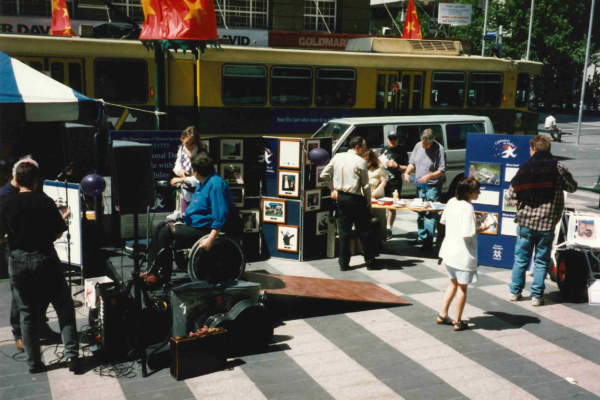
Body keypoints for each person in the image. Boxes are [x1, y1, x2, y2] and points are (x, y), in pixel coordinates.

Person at [0, 162, 79, 374]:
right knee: (64, 306)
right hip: (44, 258)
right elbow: (57, 233)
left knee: (27, 313)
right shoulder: (45, 201)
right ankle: (72, 356)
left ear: (16, 180)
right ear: (36, 180)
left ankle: (34, 364)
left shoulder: (7, 203)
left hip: (18, 260)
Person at [507, 135, 577, 306]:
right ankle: (537, 296)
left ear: (534, 150)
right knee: (541, 260)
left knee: (521, 258)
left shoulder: (525, 168)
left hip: (525, 222)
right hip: (547, 224)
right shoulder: (558, 168)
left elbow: (511, 194)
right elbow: (572, 187)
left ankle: (515, 292)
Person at [1, 157, 60, 353]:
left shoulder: (32, 192)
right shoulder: (5, 195)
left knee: (41, 292)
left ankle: (40, 327)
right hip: (17, 250)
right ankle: (19, 333)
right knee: (21, 297)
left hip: (37, 249)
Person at [147, 154, 233, 283]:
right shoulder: (203, 182)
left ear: (196, 171)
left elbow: (220, 215)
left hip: (205, 230)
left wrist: (211, 238)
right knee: (161, 225)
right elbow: (197, 206)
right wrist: (183, 216)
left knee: (166, 232)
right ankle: (152, 271)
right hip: (193, 223)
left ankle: (164, 275)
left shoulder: (215, 185)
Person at [437, 177, 491, 331]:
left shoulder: (451, 202)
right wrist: (483, 227)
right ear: (468, 192)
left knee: (453, 283)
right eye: (477, 191)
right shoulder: (467, 207)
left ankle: (442, 314)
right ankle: (458, 321)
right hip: (462, 255)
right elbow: (468, 233)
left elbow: (446, 221)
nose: (479, 193)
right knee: (462, 288)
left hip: (448, 251)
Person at [320, 136, 376, 271]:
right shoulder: (360, 162)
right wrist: (369, 204)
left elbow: (323, 175)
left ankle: (343, 263)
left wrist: (333, 188)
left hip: (341, 198)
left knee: (344, 232)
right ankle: (369, 261)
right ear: (357, 147)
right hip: (355, 198)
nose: (365, 150)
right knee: (363, 231)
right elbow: (366, 186)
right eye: (363, 147)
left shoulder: (338, 157)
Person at [404, 129, 446, 251]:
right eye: (423, 143)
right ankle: (421, 236)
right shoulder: (418, 145)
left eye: (427, 144)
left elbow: (442, 170)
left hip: (433, 185)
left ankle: (428, 241)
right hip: (419, 185)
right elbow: (412, 163)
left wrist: (428, 176)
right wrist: (407, 172)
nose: (425, 146)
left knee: (429, 213)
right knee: (420, 211)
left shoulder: (439, 149)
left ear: (432, 141)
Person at [380, 130, 409, 239]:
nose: (392, 141)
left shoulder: (402, 151)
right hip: (383, 182)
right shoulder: (384, 149)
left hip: (395, 183)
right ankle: (381, 228)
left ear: (397, 139)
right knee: (381, 205)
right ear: (387, 139)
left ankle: (389, 229)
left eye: (394, 139)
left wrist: (396, 165)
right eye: (390, 138)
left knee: (392, 206)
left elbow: (407, 168)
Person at [171, 126, 205, 213]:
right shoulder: (182, 149)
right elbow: (177, 165)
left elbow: (201, 178)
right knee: (184, 217)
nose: (189, 146)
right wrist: (180, 171)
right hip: (185, 192)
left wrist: (181, 179)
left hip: (198, 193)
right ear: (182, 139)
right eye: (186, 143)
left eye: (192, 143)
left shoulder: (201, 154)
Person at [364, 149, 388, 241]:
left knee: (379, 219)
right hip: (365, 196)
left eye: (367, 161)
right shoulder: (361, 167)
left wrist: (375, 192)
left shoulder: (379, 167)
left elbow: (383, 182)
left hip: (377, 196)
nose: (366, 163)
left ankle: (380, 239)